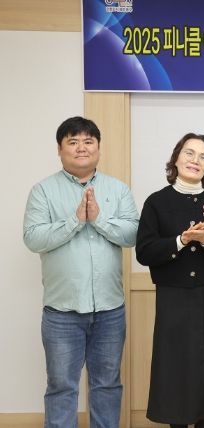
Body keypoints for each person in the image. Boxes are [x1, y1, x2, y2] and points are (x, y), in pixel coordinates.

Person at [23, 116, 139, 428]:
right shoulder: (43, 191)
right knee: (62, 387)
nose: (81, 148)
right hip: (62, 312)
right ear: (60, 150)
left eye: (88, 141)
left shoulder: (118, 190)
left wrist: (98, 219)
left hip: (110, 310)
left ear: (99, 148)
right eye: (73, 142)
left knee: (107, 385)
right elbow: (33, 238)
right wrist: (75, 221)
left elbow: (132, 235)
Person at [136, 133, 204, 428]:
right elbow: (144, 252)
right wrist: (181, 241)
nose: (196, 160)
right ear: (176, 158)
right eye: (189, 153)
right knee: (175, 368)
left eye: (203, 156)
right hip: (173, 297)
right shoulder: (156, 202)